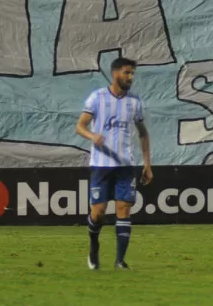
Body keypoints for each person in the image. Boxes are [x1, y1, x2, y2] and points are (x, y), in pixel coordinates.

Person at [75, 57, 152, 271]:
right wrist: (92, 136)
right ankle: (93, 248)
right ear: (115, 73)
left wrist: (147, 164)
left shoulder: (135, 102)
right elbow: (79, 126)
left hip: (126, 165)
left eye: (132, 73)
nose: (131, 77)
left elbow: (143, 135)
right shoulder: (97, 98)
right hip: (101, 165)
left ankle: (120, 261)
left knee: (123, 209)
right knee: (98, 212)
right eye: (127, 73)